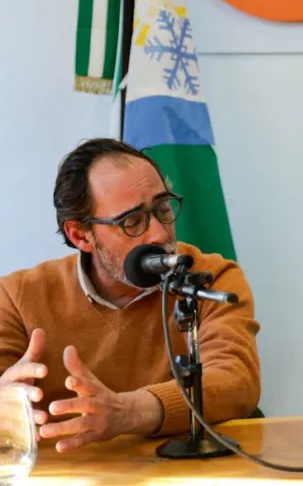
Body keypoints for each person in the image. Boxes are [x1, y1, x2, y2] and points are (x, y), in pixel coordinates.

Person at [0, 139, 261, 452]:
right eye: (132, 221)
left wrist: (128, 412)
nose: (160, 234)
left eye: (163, 209)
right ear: (80, 234)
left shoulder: (210, 277)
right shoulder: (17, 296)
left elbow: (236, 380)